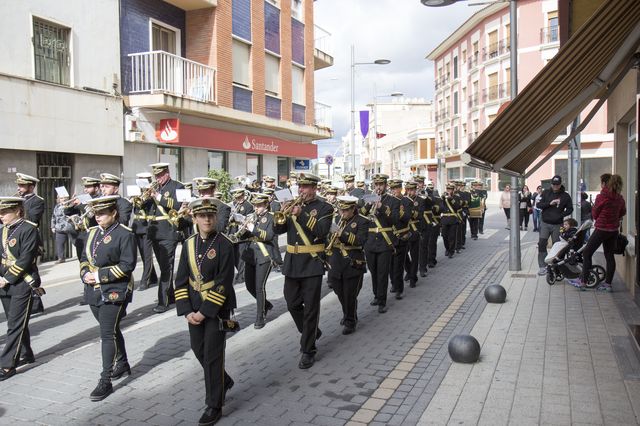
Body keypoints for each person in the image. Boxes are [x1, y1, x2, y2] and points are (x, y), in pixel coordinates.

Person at [174, 197, 235, 425]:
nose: (207, 219)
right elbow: (180, 280)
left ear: (216, 217)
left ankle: (214, 405)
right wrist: (187, 310)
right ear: (194, 218)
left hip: (217, 307)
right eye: (202, 215)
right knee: (197, 348)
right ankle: (224, 380)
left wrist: (204, 311)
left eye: (210, 215)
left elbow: (224, 282)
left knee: (212, 355)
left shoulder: (224, 244)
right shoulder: (188, 243)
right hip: (194, 305)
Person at [79, 195, 137, 400]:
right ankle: (123, 363)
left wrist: (99, 276)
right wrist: (85, 273)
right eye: (96, 213)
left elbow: (127, 266)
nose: (98, 217)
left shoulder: (124, 234)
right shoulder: (93, 232)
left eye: (102, 213)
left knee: (106, 333)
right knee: (111, 330)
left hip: (116, 289)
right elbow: (85, 258)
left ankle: (106, 380)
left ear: (114, 213)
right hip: (93, 290)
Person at [273, 172, 333, 369]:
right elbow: (278, 231)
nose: (302, 191)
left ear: (314, 188)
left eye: (306, 187)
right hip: (292, 262)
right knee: (292, 303)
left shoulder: (325, 207)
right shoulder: (292, 205)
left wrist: (303, 214)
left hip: (312, 262)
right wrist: (281, 215)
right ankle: (312, 331)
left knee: (311, 309)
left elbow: (322, 231)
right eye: (300, 187)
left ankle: (308, 350)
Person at [0, 196, 41, 381]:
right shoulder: (3, 231)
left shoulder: (29, 229)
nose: (1, 216)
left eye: (5, 212)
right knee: (14, 321)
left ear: (17, 210)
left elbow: (26, 259)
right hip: (4, 282)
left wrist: (7, 278)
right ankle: (27, 353)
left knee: (14, 325)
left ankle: (8, 365)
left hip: (22, 282)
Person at [571, 174, 625, 292]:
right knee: (609, 256)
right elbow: (623, 212)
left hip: (601, 229)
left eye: (601, 183)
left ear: (605, 184)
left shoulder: (602, 196)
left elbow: (594, 214)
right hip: (613, 231)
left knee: (587, 253)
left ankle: (583, 281)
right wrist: (614, 218)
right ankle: (608, 285)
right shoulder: (620, 198)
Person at [327, 195, 369, 335]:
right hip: (336, 261)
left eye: (345, 210)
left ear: (353, 209)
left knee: (350, 294)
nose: (342, 213)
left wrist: (342, 233)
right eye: (340, 210)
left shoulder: (362, 221)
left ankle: (350, 321)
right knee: (340, 292)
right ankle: (348, 313)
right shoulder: (338, 220)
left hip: (353, 261)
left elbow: (360, 241)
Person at [146, 163, 184, 313]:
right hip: (155, 232)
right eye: (156, 176)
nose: (158, 178)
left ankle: (163, 301)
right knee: (163, 266)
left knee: (167, 268)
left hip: (169, 232)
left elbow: (178, 205)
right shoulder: (154, 188)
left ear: (167, 173)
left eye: (160, 175)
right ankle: (172, 295)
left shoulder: (178, 187)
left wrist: (158, 197)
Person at [362, 174, 399, 314]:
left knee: (383, 272)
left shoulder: (392, 201)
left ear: (385, 185)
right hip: (370, 241)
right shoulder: (368, 198)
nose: (378, 187)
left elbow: (395, 219)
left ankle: (382, 301)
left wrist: (382, 207)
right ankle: (376, 295)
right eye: (376, 184)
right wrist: (368, 205)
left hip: (384, 241)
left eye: (381, 184)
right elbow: (361, 216)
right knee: (374, 271)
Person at [237, 193, 275, 329]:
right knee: (249, 286)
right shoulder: (252, 217)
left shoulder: (271, 218)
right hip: (251, 255)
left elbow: (269, 235)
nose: (256, 208)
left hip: (264, 255)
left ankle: (260, 316)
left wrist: (254, 229)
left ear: (266, 205)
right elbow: (245, 235)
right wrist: (243, 227)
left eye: (259, 205)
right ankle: (266, 304)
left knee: (259, 287)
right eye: (255, 206)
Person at [536, 175, 573, 276]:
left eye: (557, 185)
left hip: (558, 224)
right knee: (542, 243)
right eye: (553, 184)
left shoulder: (565, 196)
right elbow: (538, 205)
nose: (555, 186)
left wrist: (561, 215)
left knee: (557, 245)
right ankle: (542, 266)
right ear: (551, 184)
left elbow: (570, 209)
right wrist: (549, 203)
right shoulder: (546, 193)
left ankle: (556, 266)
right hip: (545, 222)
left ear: (560, 184)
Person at [131, 172, 158, 291]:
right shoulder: (137, 193)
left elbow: (151, 208)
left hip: (147, 226)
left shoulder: (151, 194)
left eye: (143, 180)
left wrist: (149, 195)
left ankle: (144, 280)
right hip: (137, 226)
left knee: (147, 255)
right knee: (142, 254)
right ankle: (153, 277)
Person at [389, 179, 412, 299]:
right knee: (390, 265)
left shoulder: (405, 201)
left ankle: (399, 288)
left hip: (402, 236)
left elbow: (407, 217)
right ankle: (393, 283)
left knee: (398, 265)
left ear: (400, 188)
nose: (393, 191)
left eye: (396, 188)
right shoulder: (388, 201)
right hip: (389, 237)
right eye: (392, 189)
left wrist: (397, 210)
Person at [229, 188, 254, 284]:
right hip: (233, 232)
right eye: (237, 198)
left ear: (243, 196)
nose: (238, 199)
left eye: (240, 197)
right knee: (235, 256)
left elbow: (249, 219)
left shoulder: (248, 206)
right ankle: (240, 273)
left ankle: (241, 276)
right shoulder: (234, 205)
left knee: (241, 256)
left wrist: (240, 219)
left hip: (243, 234)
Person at [403, 181, 423, 288]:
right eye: (409, 190)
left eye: (412, 190)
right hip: (404, 230)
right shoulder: (403, 200)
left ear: (416, 190)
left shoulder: (420, 200)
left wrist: (409, 211)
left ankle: (413, 277)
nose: (410, 192)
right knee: (404, 255)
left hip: (414, 230)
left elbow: (419, 215)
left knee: (415, 256)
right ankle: (409, 271)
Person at [51, 195, 75, 263]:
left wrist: (71, 202)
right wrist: (52, 226)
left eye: (65, 198)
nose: (63, 199)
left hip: (69, 227)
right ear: (58, 199)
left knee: (75, 242)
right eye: (61, 198)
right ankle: (61, 258)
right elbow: (53, 217)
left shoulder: (70, 205)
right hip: (59, 228)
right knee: (59, 243)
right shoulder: (56, 207)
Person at [441, 183, 461, 259]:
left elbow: (458, 207)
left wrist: (451, 199)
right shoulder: (443, 197)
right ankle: (447, 248)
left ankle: (451, 251)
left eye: (450, 189)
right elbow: (441, 207)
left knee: (452, 236)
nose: (448, 191)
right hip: (445, 219)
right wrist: (443, 198)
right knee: (444, 236)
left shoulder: (456, 197)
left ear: (453, 190)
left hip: (453, 219)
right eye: (447, 189)